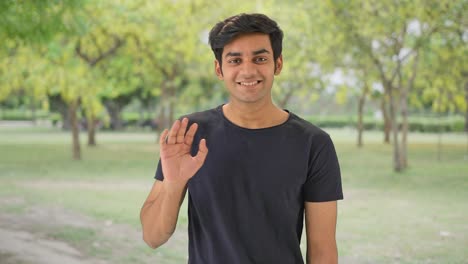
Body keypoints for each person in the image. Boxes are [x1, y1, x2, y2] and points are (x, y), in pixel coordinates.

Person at [140, 13, 343, 264]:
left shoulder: (314, 143)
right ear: (219, 69)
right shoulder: (189, 134)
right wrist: (174, 185)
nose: (248, 70)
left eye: (260, 58)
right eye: (235, 60)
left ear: (277, 64)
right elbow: (152, 236)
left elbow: (323, 251)